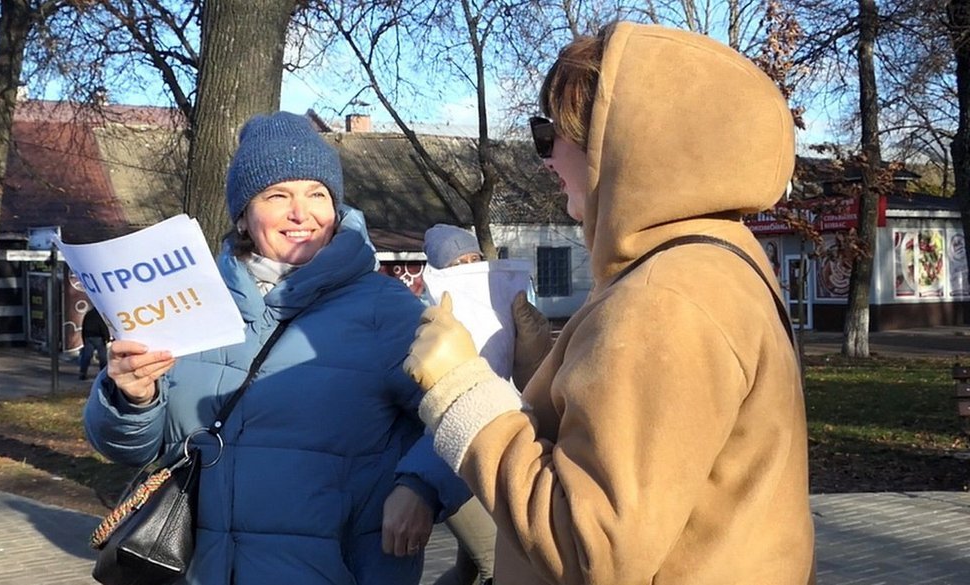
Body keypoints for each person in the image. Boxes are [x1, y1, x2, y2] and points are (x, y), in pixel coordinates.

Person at [403, 22, 815, 585]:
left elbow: (591, 547)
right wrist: (538, 367)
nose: (544, 157)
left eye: (550, 133)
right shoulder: (716, 262)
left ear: (624, 144)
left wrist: (459, 391)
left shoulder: (666, 299)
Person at [84, 111, 469, 585]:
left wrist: (422, 487)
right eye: (277, 195)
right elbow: (130, 447)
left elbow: (468, 413)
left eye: (317, 194)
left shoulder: (387, 311)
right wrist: (130, 398)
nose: (300, 213)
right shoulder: (186, 304)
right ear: (244, 215)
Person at [421, 224, 497, 585]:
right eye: (457, 263)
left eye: (474, 260)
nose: (468, 268)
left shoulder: (496, 309)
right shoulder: (423, 323)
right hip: (450, 458)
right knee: (496, 563)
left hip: (493, 448)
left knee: (468, 568)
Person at [78, 305, 110, 380]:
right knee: (102, 357)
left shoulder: (88, 314)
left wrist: (83, 338)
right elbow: (103, 327)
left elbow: (84, 326)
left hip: (88, 337)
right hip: (98, 337)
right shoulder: (100, 315)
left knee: (86, 356)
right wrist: (107, 338)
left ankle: (82, 373)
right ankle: (103, 375)